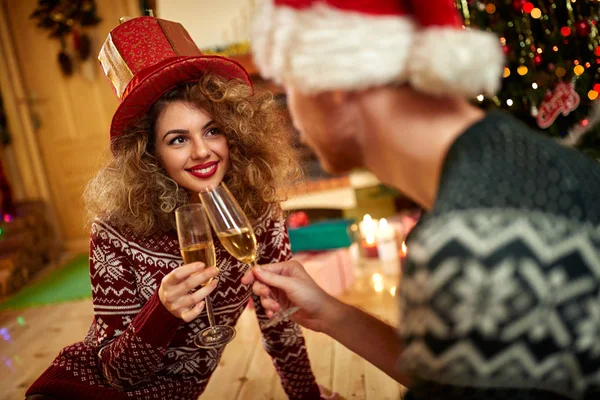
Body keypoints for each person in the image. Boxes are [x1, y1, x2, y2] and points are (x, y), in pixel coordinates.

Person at [242, 0, 600, 399]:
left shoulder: (471, 245)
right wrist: (333, 314)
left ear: (332, 84)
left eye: (289, 86)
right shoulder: (511, 166)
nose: (290, 113)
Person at [25, 16, 326, 400]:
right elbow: (116, 375)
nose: (202, 151)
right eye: (178, 139)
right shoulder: (115, 231)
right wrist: (162, 311)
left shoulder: (259, 216)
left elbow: (278, 323)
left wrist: (309, 397)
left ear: (234, 133)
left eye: (212, 130)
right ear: (151, 154)